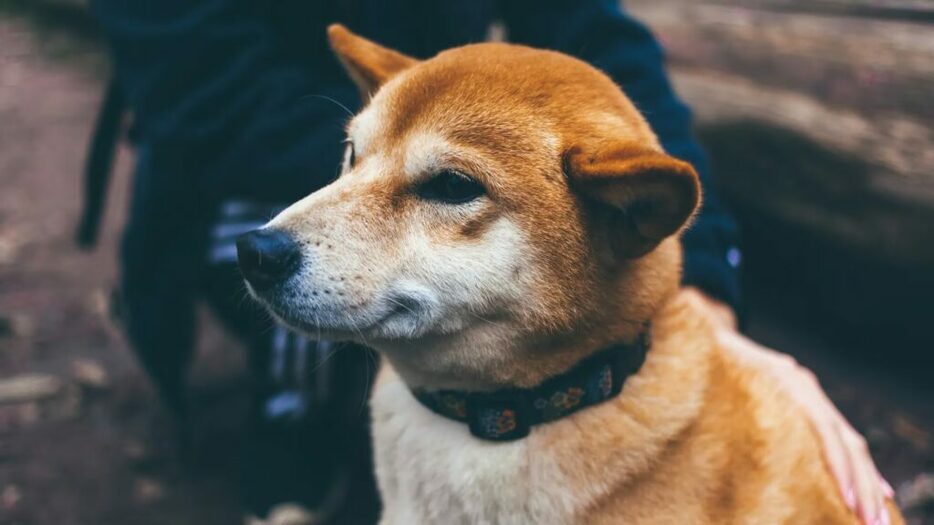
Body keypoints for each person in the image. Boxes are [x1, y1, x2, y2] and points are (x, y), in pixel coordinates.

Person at [82, 1, 891, 523]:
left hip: (452, 131)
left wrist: (706, 290)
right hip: (224, 163)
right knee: (291, 285)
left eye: (446, 187)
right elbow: (205, 103)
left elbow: (607, 46)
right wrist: (405, 137)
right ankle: (295, 419)